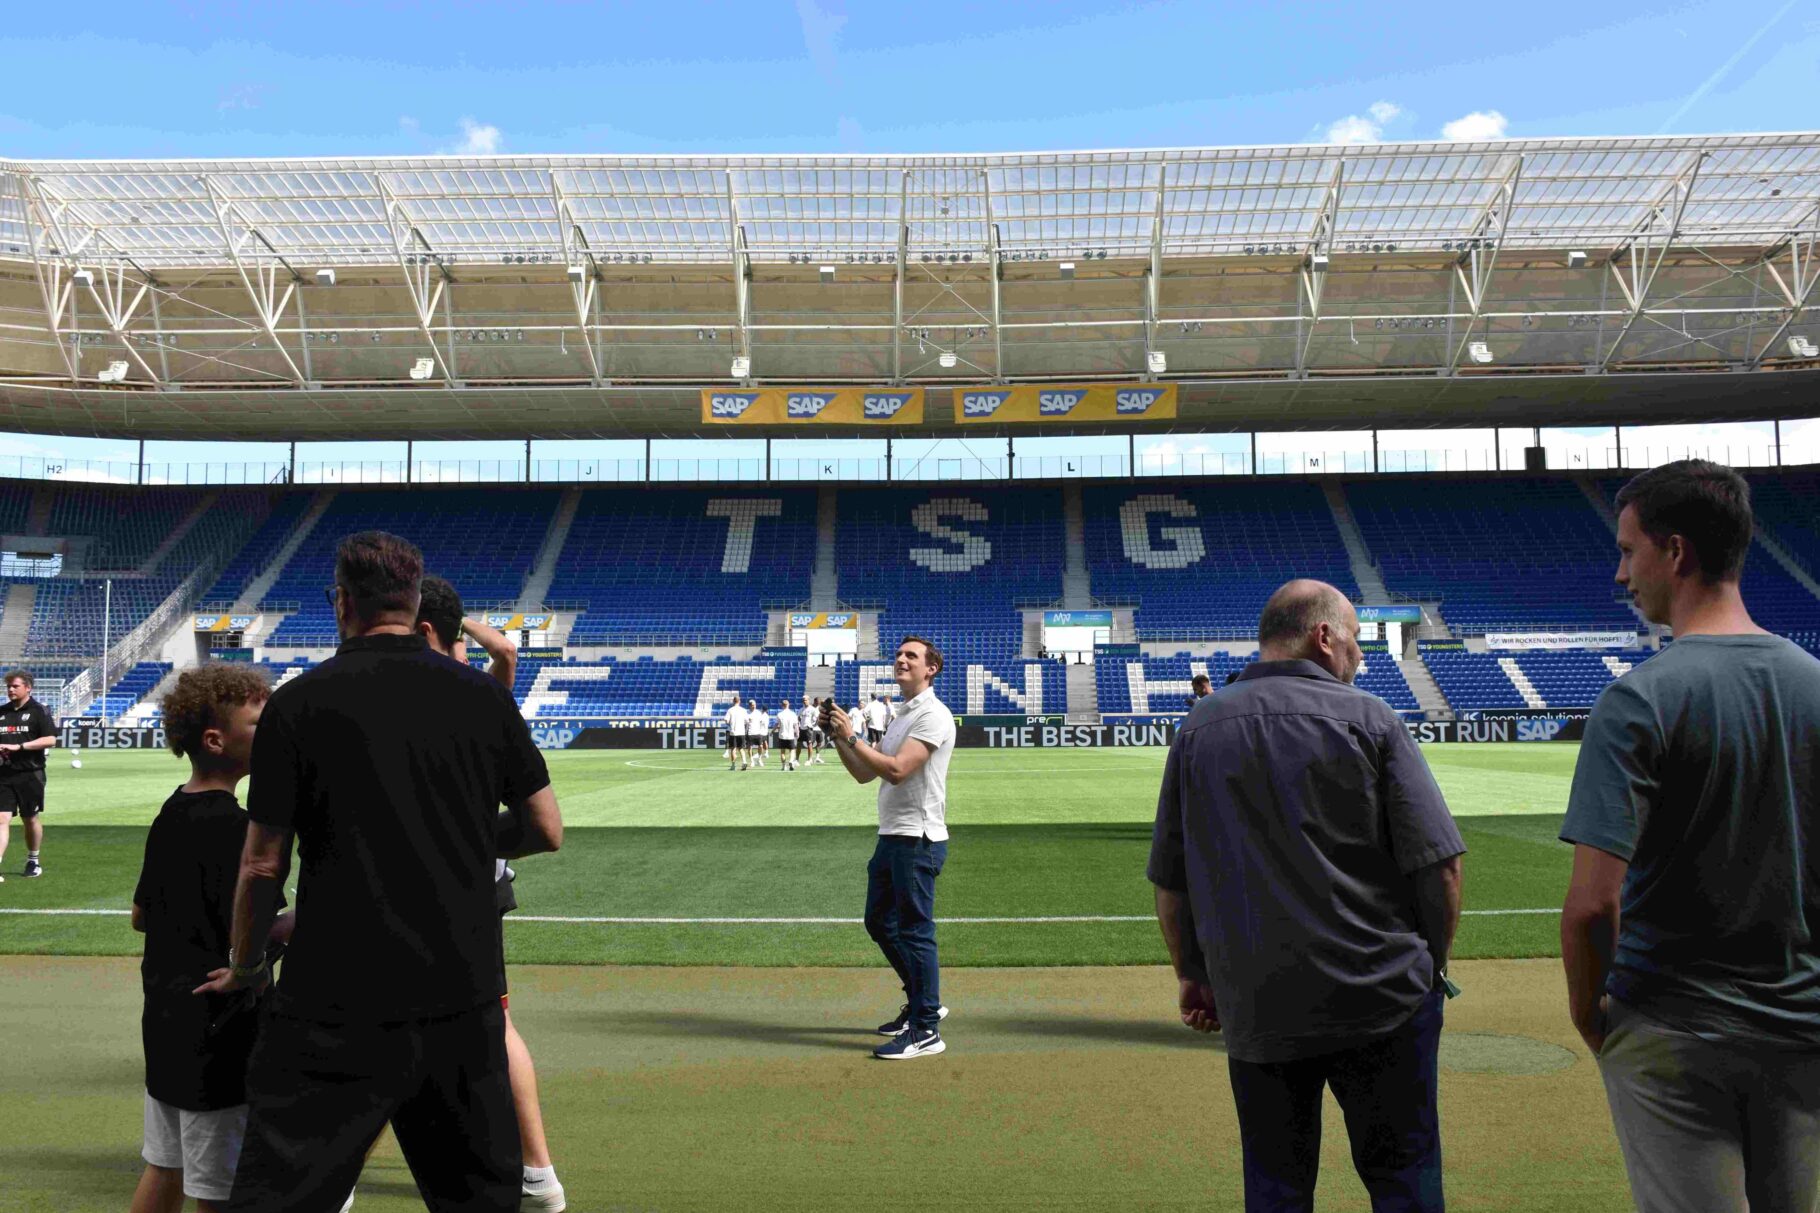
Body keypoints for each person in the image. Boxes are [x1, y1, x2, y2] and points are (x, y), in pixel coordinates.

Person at [200, 531, 563, 1212]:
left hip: (332, 999)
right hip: (460, 995)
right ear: (415, 602)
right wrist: (457, 838)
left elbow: (262, 863)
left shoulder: (298, 704)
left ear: (343, 603)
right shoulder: (482, 697)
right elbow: (546, 828)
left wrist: (246, 965)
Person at [1149, 579, 1465, 1212]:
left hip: (1258, 1002)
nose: (1359, 655)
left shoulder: (1199, 727)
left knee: (1276, 1186)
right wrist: (1431, 965)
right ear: (1323, 636)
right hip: (1381, 997)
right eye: (1355, 639)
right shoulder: (1371, 718)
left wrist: (1193, 975)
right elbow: (1441, 868)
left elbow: (1171, 882)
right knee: (1404, 1178)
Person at [1560, 460, 1820, 1213]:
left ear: (1674, 552)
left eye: (1628, 550)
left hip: (1671, 1025)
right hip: (1802, 1027)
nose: (1620, 573)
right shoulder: (1814, 682)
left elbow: (1591, 906)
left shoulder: (1639, 699)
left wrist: (1591, 1016)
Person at [415, 575, 566, 1212]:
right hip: (479, 881)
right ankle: (536, 1171)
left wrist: (456, 621)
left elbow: (504, 652)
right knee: (484, 1022)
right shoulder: (477, 694)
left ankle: (535, 1170)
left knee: (383, 1026)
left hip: (442, 879)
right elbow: (502, 654)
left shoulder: (462, 690)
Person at [130, 664, 288, 1213]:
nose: (271, 731)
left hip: (165, 1017)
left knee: (165, 1167)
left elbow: (141, 916)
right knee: (219, 1192)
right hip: (220, 1027)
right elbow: (258, 926)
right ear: (216, 741)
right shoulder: (238, 829)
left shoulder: (172, 809)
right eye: (259, 723)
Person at [828, 638, 957, 1061]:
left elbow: (898, 770)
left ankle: (926, 1029)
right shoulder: (904, 715)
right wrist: (840, 738)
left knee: (915, 931)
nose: (901, 660)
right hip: (893, 835)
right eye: (899, 655)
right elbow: (865, 773)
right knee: (879, 921)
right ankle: (922, 1001)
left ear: (931, 669)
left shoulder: (933, 715)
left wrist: (853, 736)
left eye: (911, 656)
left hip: (917, 838)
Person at [0, 669, 57, 880]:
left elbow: (50, 740)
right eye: (8, 686)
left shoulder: (39, 711)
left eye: (15, 686)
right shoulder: (2, 712)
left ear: (28, 687)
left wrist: (20, 747)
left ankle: (33, 860)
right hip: (3, 774)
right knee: (1, 818)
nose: (11, 690)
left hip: (30, 773)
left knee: (30, 818)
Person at [775, 697, 800, 771]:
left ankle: (783, 766)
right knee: (792, 750)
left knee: (782, 752)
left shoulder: (779, 714)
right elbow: (796, 725)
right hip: (790, 735)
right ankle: (791, 761)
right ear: (788, 705)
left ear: (782, 705)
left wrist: (773, 731)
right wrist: (797, 733)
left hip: (782, 735)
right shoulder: (793, 714)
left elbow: (777, 724)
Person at [726, 697, 748, 771]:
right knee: (741, 748)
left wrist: (730, 724)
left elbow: (726, 720)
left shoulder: (730, 710)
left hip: (733, 732)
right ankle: (744, 762)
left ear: (733, 701)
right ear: (739, 701)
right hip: (741, 732)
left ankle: (733, 765)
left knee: (733, 749)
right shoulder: (743, 710)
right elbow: (747, 721)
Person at [745, 699, 767, 768]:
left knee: (761, 746)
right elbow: (744, 722)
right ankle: (752, 761)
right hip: (750, 733)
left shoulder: (758, 713)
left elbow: (761, 722)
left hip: (758, 732)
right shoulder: (746, 713)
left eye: (754, 705)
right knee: (750, 747)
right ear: (749, 706)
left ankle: (759, 759)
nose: (754, 706)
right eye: (752, 705)